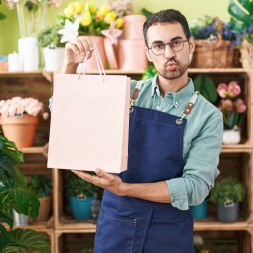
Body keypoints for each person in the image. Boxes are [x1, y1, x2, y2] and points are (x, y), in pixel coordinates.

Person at [57, 9, 223, 253]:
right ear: (148, 53)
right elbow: (63, 110)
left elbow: (195, 187)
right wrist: (70, 63)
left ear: (191, 45)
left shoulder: (208, 116)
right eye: (158, 46)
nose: (169, 53)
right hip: (116, 226)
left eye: (176, 43)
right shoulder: (124, 93)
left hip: (168, 233)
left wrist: (124, 188)